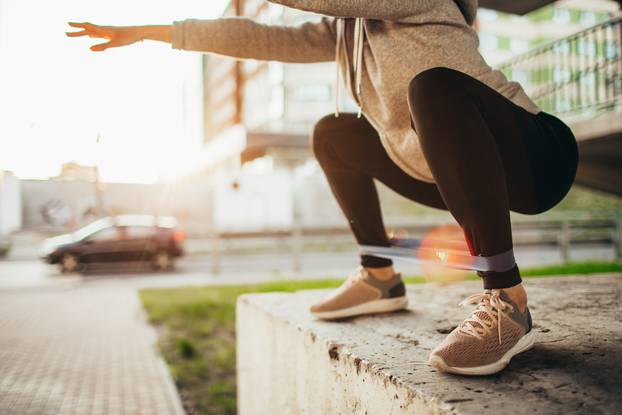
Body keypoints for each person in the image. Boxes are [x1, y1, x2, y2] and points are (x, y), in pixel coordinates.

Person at [66, 0, 578, 376]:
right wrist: (153, 32)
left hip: (538, 157)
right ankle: (380, 276)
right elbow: (255, 37)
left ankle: (507, 302)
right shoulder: (347, 33)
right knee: (333, 133)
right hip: (450, 174)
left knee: (432, 84)